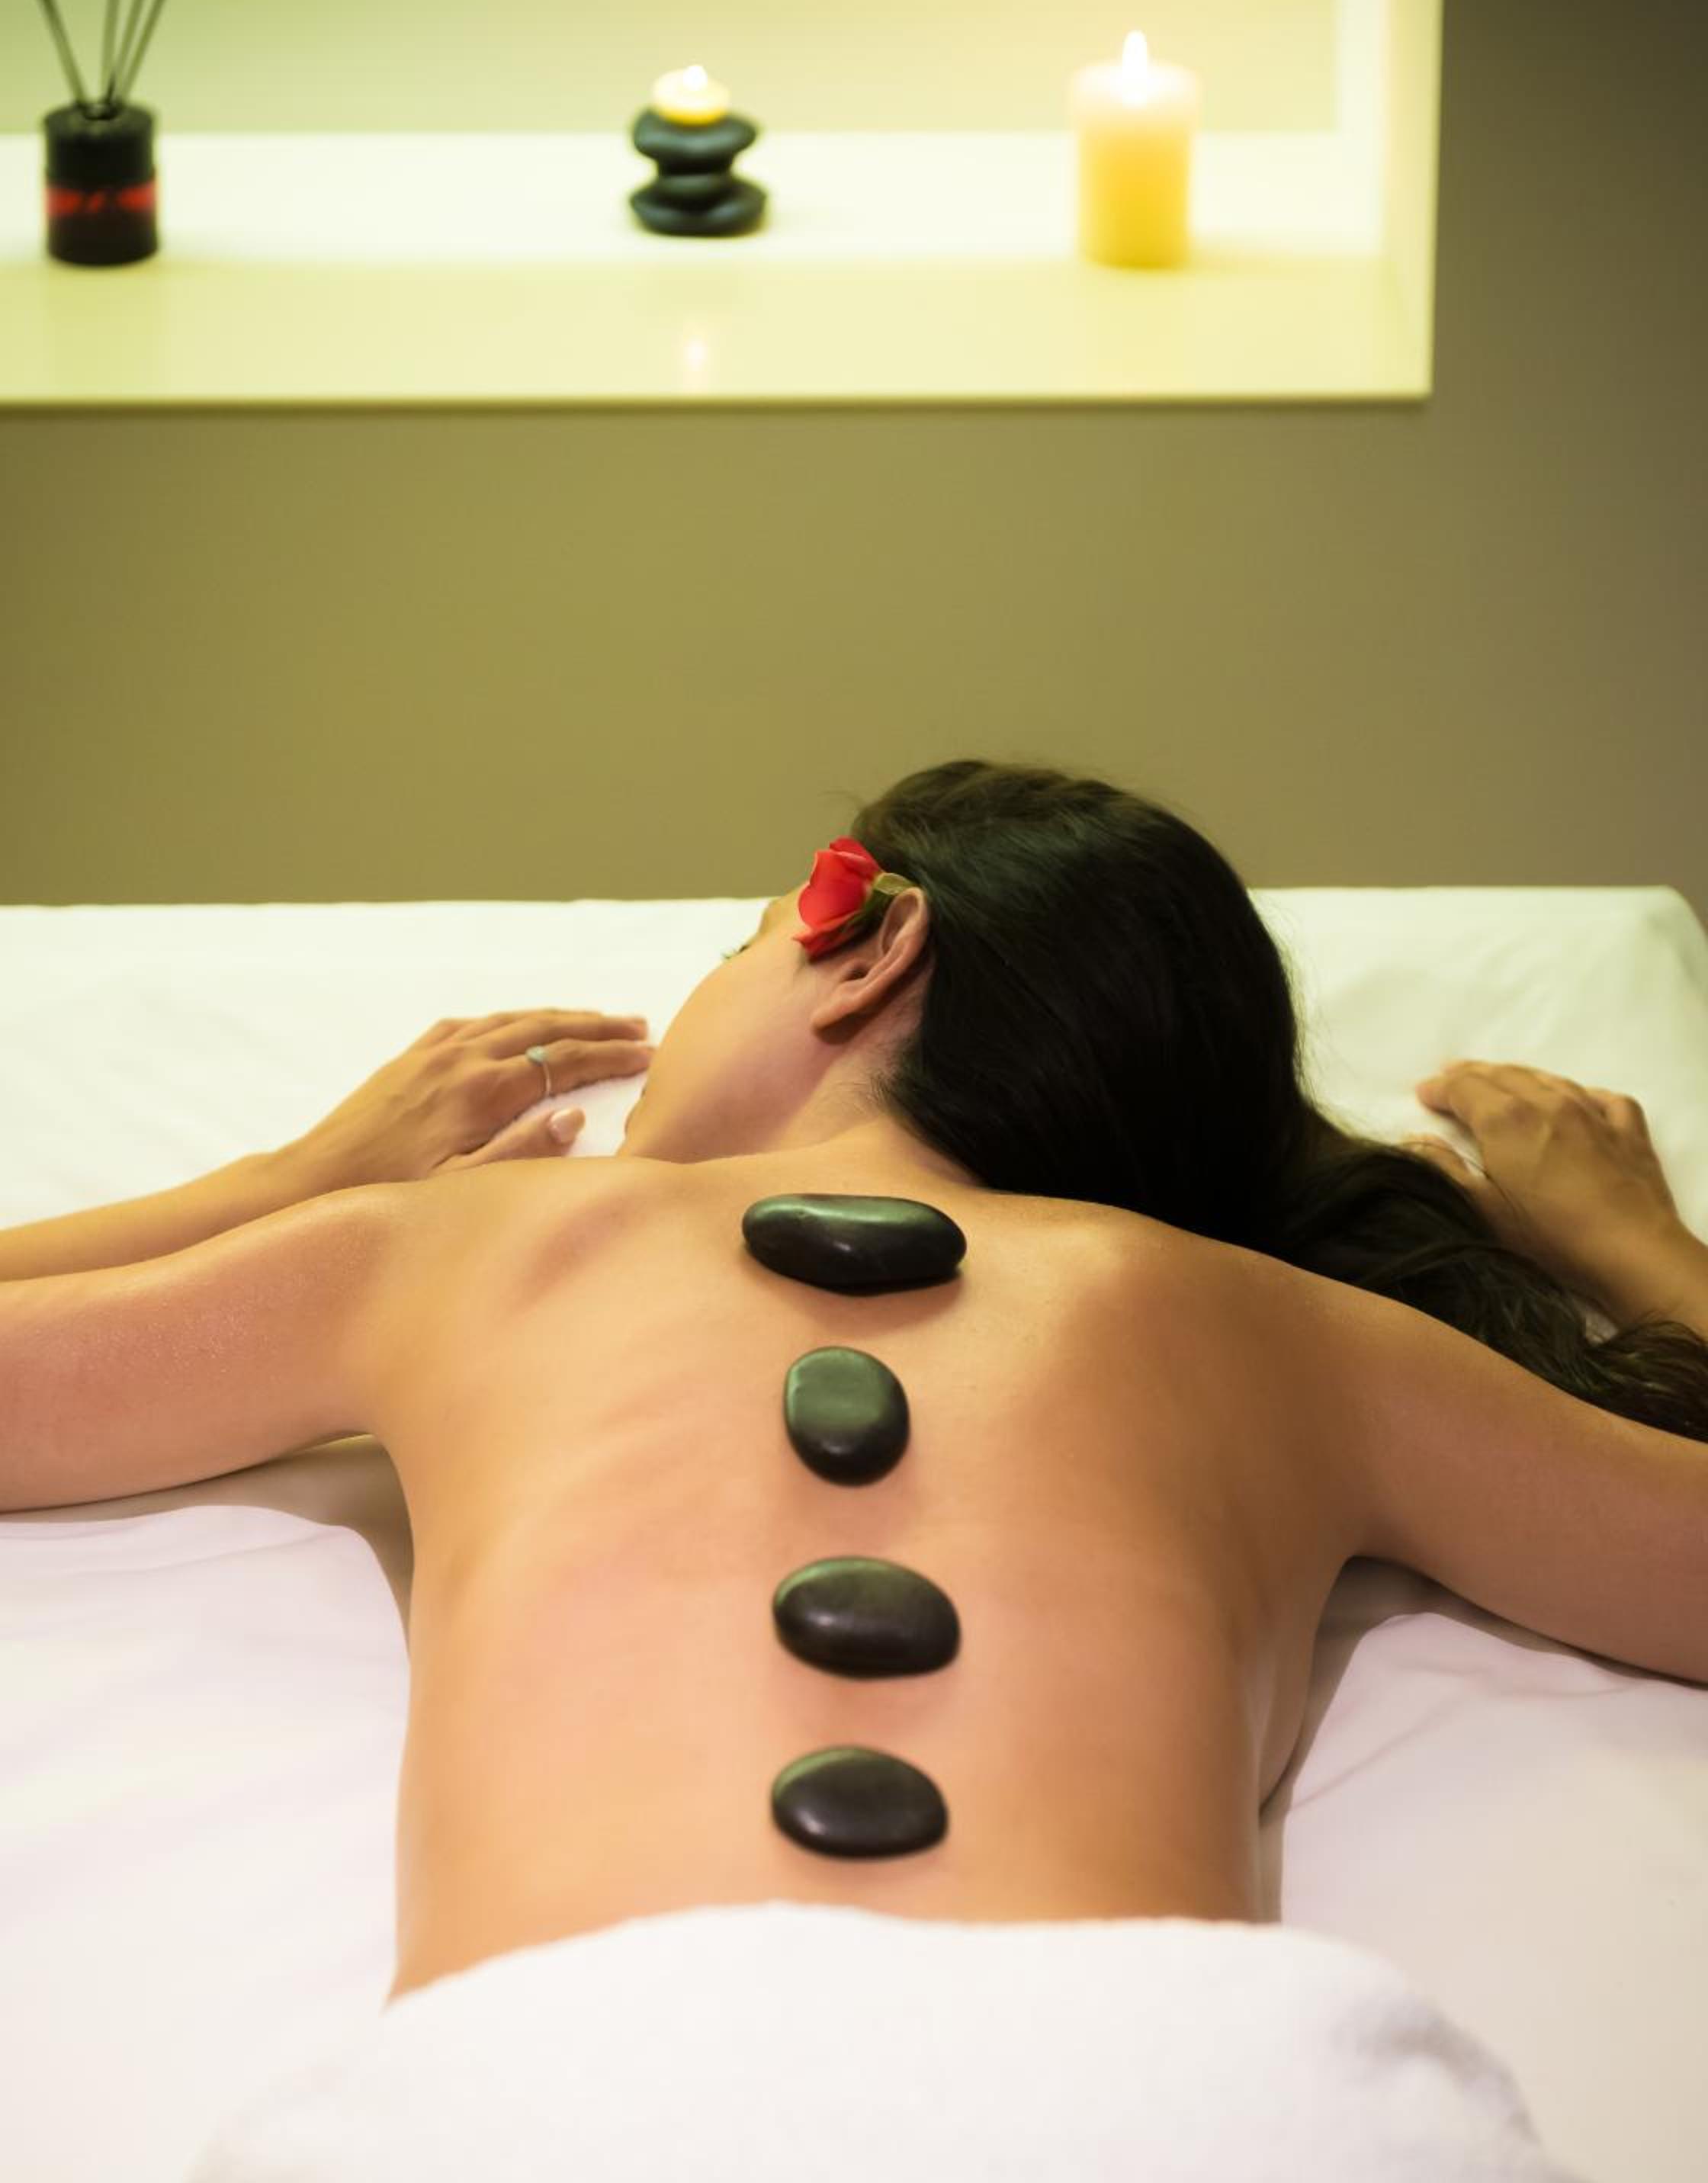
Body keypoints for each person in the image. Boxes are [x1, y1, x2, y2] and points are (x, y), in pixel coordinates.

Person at [5, 757, 1706, 2181]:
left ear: (864, 943)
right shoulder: (1285, 1334)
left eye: (735, 947)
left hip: (555, 2092)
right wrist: (1642, 1254)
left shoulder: (476, 1243)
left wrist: (287, 1181)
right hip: (1194, 2097)